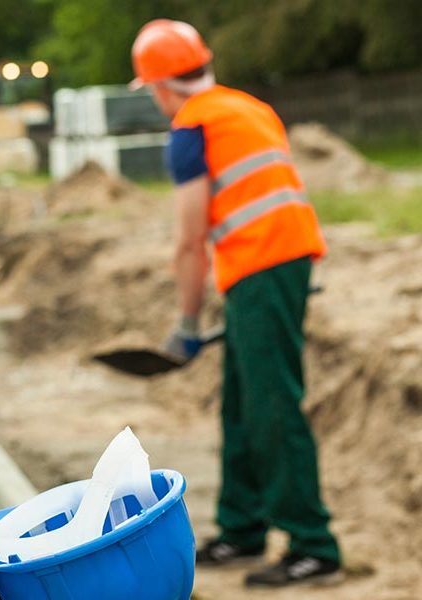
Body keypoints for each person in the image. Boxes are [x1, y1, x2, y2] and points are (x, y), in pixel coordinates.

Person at [129, 19, 341, 588]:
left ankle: (313, 544)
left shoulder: (191, 128)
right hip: (281, 262)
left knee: (271, 405)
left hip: (263, 267)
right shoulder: (249, 107)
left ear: (159, 86)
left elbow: (189, 239)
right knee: (242, 403)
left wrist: (188, 321)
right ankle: (242, 528)